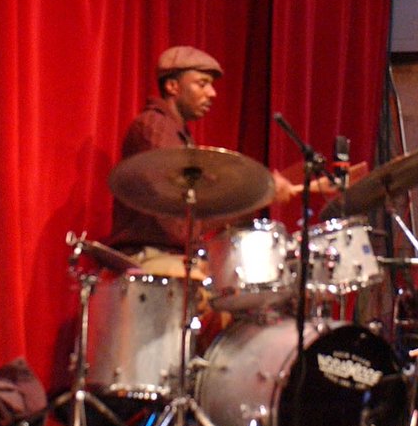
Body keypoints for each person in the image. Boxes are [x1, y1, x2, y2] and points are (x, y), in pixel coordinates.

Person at [108, 45, 293, 276]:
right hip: (149, 257)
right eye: (202, 83)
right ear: (172, 86)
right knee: (218, 291)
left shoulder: (175, 133)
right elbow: (180, 222)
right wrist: (258, 197)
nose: (212, 93)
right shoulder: (155, 127)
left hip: (171, 256)